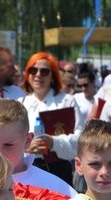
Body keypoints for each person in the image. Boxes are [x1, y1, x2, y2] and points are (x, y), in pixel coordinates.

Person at [21, 51, 84, 185]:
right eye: (33, 70)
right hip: (27, 170)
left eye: (44, 71)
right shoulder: (20, 103)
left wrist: (53, 142)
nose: (38, 75)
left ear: (53, 76)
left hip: (59, 170)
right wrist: (26, 146)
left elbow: (82, 140)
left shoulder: (67, 101)